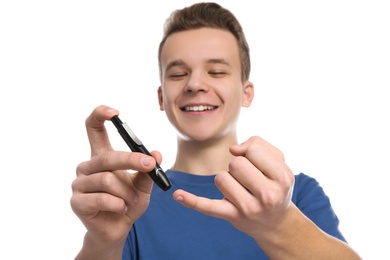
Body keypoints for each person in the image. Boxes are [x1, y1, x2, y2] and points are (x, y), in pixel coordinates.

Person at [70, 2, 361, 259]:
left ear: (246, 93)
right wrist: (101, 241)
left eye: (217, 71)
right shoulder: (131, 202)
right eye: (178, 73)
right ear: (161, 97)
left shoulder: (296, 194)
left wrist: (280, 224)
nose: (194, 84)